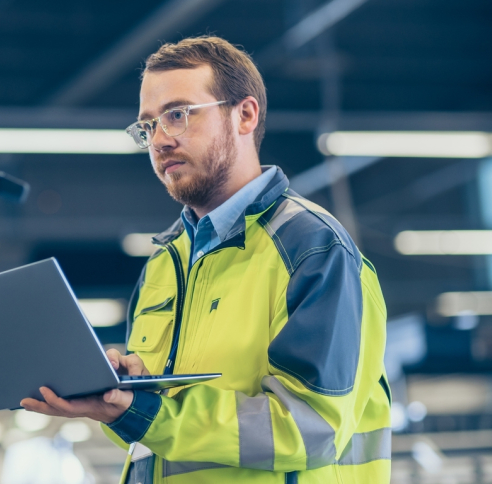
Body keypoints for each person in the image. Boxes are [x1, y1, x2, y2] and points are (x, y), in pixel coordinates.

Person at [21, 36, 391, 484]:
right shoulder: (164, 265)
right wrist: (123, 399)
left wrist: (147, 412)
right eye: (148, 126)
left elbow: (310, 428)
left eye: (177, 115)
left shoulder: (313, 249)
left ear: (245, 115)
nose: (158, 141)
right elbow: (153, 439)